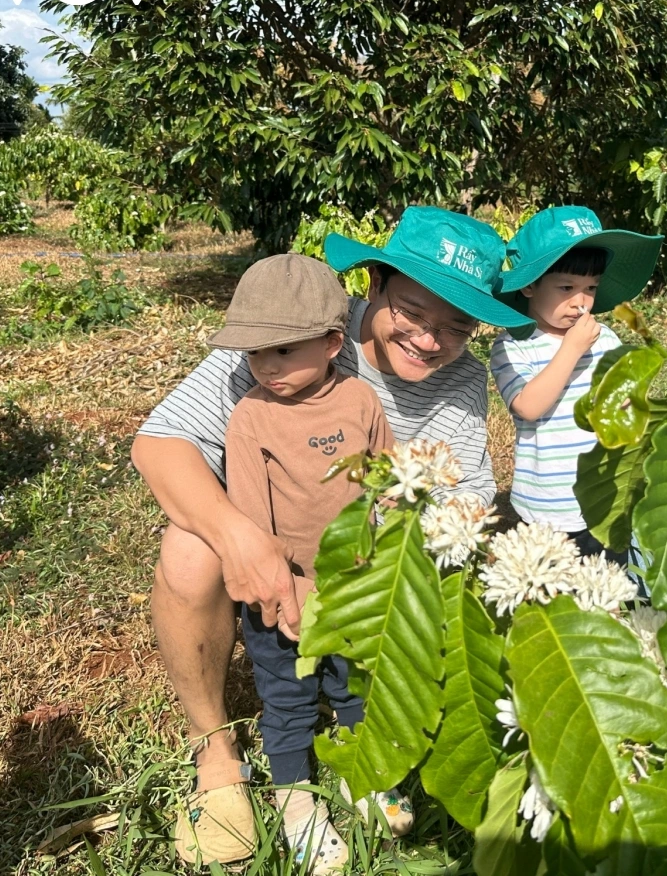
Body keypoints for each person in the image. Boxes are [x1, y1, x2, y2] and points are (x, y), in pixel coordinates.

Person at [131, 207, 534, 866]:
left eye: (458, 325)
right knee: (190, 547)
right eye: (413, 313)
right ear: (372, 287)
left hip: (367, 566)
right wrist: (245, 541)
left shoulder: (462, 377)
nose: (431, 341)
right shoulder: (299, 328)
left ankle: (369, 739)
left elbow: (465, 497)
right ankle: (216, 755)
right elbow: (159, 444)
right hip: (272, 543)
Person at [210, 253, 394, 872]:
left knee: (354, 685)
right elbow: (253, 521)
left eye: (284, 350)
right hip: (280, 593)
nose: (266, 366)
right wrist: (285, 587)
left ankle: (356, 773)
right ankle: (295, 799)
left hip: (355, 585)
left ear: (333, 343)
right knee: (287, 695)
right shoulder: (252, 416)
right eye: (254, 352)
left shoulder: (362, 401)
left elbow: (383, 477)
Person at [490, 205, 662, 557]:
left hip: (605, 499)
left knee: (608, 594)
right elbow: (529, 406)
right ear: (529, 287)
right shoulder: (512, 346)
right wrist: (570, 349)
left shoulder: (607, 341)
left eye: (591, 288)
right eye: (566, 287)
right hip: (546, 508)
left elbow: (625, 405)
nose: (581, 302)